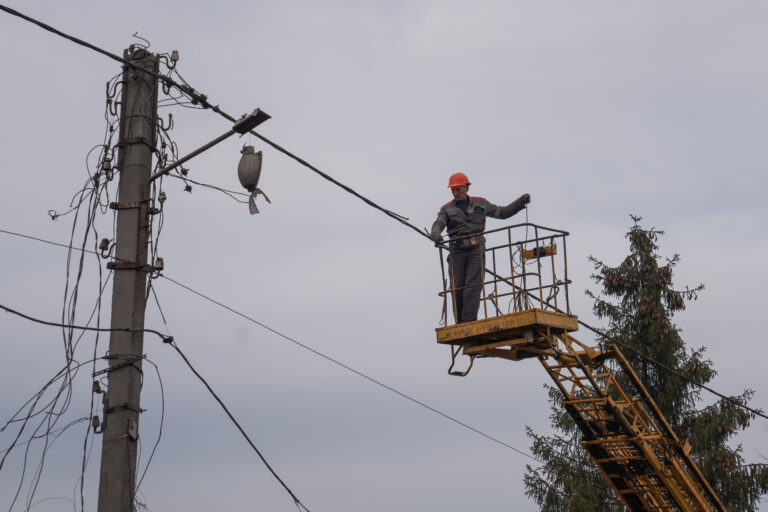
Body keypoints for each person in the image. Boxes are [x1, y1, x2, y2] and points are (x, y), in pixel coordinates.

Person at [431, 172, 530, 324]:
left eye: (458, 189)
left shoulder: (480, 203)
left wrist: (520, 203)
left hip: (476, 250)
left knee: (473, 286)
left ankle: (469, 322)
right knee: (457, 288)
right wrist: (436, 233)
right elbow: (439, 223)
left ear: (467, 187)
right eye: (453, 190)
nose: (455, 193)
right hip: (457, 251)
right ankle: (460, 323)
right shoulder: (447, 209)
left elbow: (502, 213)